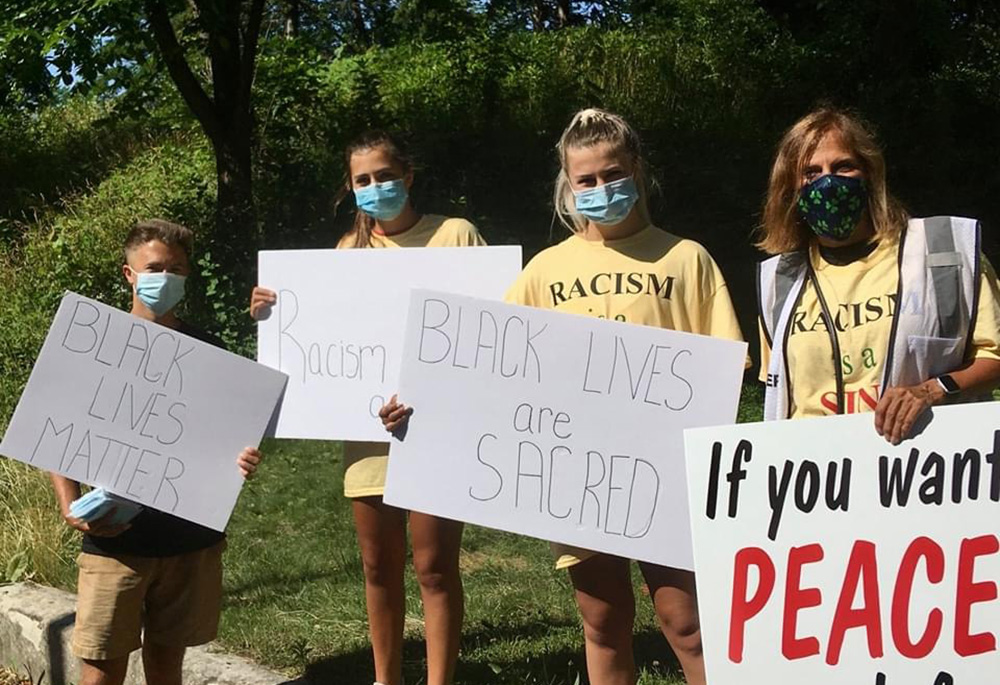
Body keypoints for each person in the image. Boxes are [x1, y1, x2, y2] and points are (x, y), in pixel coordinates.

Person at [384, 108, 743, 685]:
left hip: (667, 475)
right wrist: (416, 402)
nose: (602, 189)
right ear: (568, 185)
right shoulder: (544, 270)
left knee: (688, 624)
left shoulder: (687, 258)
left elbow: (725, 366)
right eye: (587, 180)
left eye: (614, 174)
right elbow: (487, 363)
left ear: (637, 171)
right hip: (579, 480)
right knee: (601, 624)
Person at [251, 131, 485, 685]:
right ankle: (386, 680)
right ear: (351, 188)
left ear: (408, 176)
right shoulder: (346, 253)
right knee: (378, 568)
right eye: (363, 180)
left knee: (433, 567)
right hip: (368, 434)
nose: (375, 187)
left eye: (384, 175)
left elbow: (486, 330)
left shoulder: (456, 235)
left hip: (436, 432)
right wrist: (273, 311)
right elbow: (323, 339)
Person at [49, 218, 262, 685]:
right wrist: (69, 505)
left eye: (177, 269)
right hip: (114, 542)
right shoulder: (93, 345)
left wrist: (239, 462)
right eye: (154, 267)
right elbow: (57, 431)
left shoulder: (209, 350)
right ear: (129, 274)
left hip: (188, 542)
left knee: (168, 666)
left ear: (187, 277)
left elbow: (228, 437)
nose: (164, 278)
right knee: (100, 667)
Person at [757, 106, 1000, 439]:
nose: (828, 182)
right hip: (818, 477)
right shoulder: (778, 282)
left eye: (843, 166)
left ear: (870, 174)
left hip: (916, 469)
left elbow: (994, 356)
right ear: (791, 191)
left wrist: (932, 390)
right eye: (811, 173)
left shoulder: (944, 253)